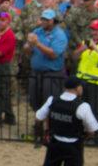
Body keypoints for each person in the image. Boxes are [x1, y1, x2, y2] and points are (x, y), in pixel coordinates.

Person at [27, 8, 68, 143]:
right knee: (35, 100)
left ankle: (48, 130)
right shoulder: (37, 31)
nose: (44, 21)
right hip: (36, 72)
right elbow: (26, 50)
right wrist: (28, 45)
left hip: (52, 73)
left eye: (47, 19)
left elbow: (53, 54)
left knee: (49, 102)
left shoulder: (59, 35)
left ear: (52, 20)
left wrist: (37, 43)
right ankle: (39, 127)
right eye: (43, 18)